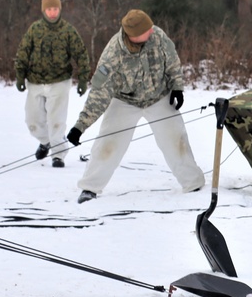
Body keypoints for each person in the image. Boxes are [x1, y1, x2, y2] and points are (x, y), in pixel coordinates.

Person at [66, 10, 205, 203]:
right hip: (124, 101)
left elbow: (172, 60)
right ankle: (90, 187)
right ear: (132, 35)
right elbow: (99, 93)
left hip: (159, 96)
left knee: (176, 139)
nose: (151, 31)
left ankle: (193, 183)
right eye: (146, 30)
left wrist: (177, 87)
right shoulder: (113, 54)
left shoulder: (157, 35)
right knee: (108, 145)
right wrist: (80, 126)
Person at [14, 0, 90, 168]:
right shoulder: (35, 29)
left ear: (59, 9)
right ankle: (46, 141)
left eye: (55, 8)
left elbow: (81, 54)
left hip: (59, 82)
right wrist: (20, 75)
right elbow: (23, 52)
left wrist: (83, 79)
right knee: (32, 121)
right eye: (49, 9)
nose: (52, 12)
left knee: (57, 120)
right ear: (44, 10)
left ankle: (58, 154)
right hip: (35, 81)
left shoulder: (68, 30)